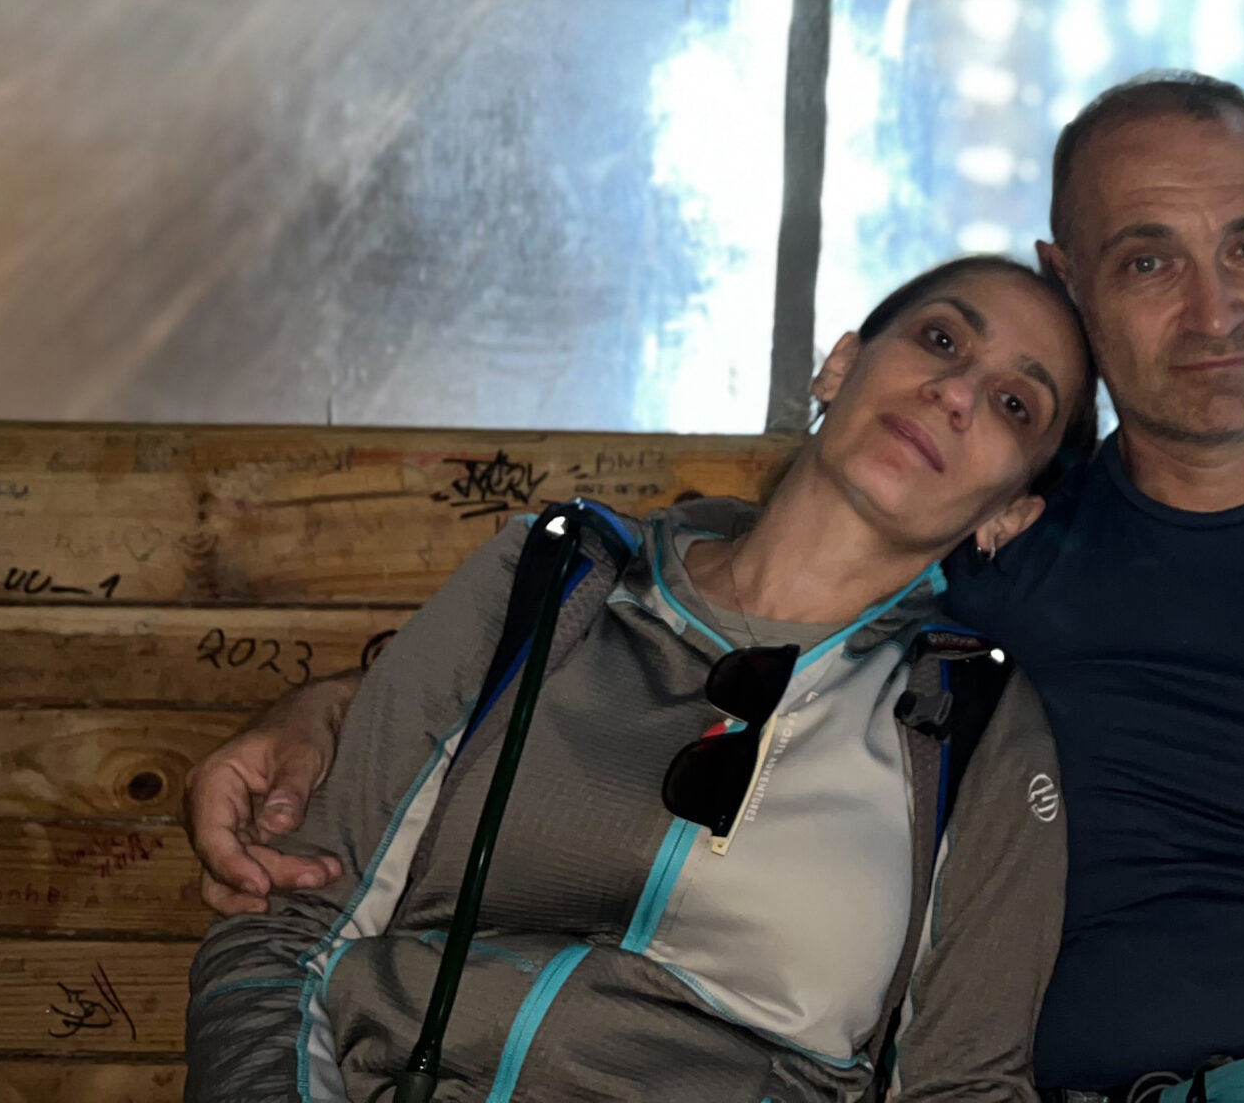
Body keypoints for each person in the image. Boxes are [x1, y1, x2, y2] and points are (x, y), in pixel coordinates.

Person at [191, 73, 1244, 1103]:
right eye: (1148, 261)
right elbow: (722, 598)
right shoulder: (994, 556)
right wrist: (341, 710)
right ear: (1073, 279)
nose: (1215, 308)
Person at [184, 254, 1097, 1103]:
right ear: (840, 365)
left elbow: (961, 1087)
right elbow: (288, 937)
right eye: (940, 339)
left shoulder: (976, 727)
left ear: (1010, 516)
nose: (955, 394)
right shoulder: (551, 583)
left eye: (1015, 405)